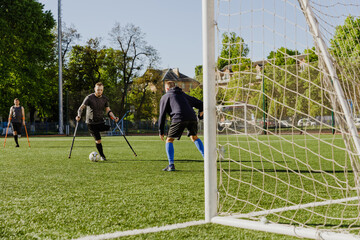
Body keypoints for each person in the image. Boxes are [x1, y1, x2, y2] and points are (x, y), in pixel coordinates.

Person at [158, 81, 204, 171]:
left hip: (178, 118)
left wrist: (161, 131)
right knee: (194, 137)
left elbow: (162, 115)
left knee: (169, 140)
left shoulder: (165, 96)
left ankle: (171, 165)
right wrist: (200, 114)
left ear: (167, 89)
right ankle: (207, 159)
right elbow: (201, 103)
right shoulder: (183, 95)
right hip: (192, 117)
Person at [76, 82, 119, 161]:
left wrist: (114, 117)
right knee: (98, 140)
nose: (99, 91)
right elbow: (81, 108)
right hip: (91, 123)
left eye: (101, 90)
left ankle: (96, 134)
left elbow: (108, 110)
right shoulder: (89, 98)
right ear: (95, 89)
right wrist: (79, 115)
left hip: (100, 121)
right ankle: (102, 156)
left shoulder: (105, 99)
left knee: (109, 128)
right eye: (98, 90)